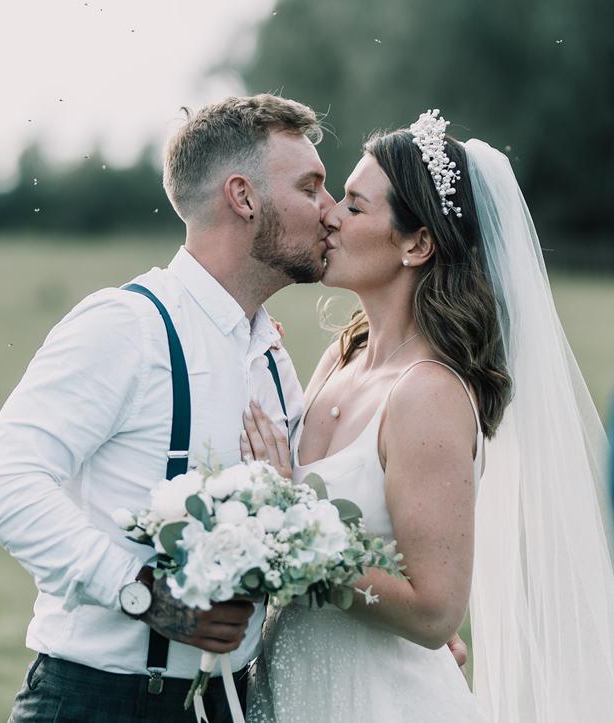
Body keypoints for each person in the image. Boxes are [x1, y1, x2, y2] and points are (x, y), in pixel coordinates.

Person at [0, 94, 333, 722]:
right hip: (100, 701)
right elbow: (1, 486)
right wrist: (146, 597)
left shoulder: (271, 354)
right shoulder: (126, 325)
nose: (331, 212)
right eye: (312, 187)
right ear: (243, 198)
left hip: (230, 703)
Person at [243, 111, 614, 722]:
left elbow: (435, 611)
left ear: (416, 243)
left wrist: (289, 523)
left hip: (376, 701)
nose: (330, 213)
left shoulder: (429, 394)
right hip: (295, 686)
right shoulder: (343, 357)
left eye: (356, 207)